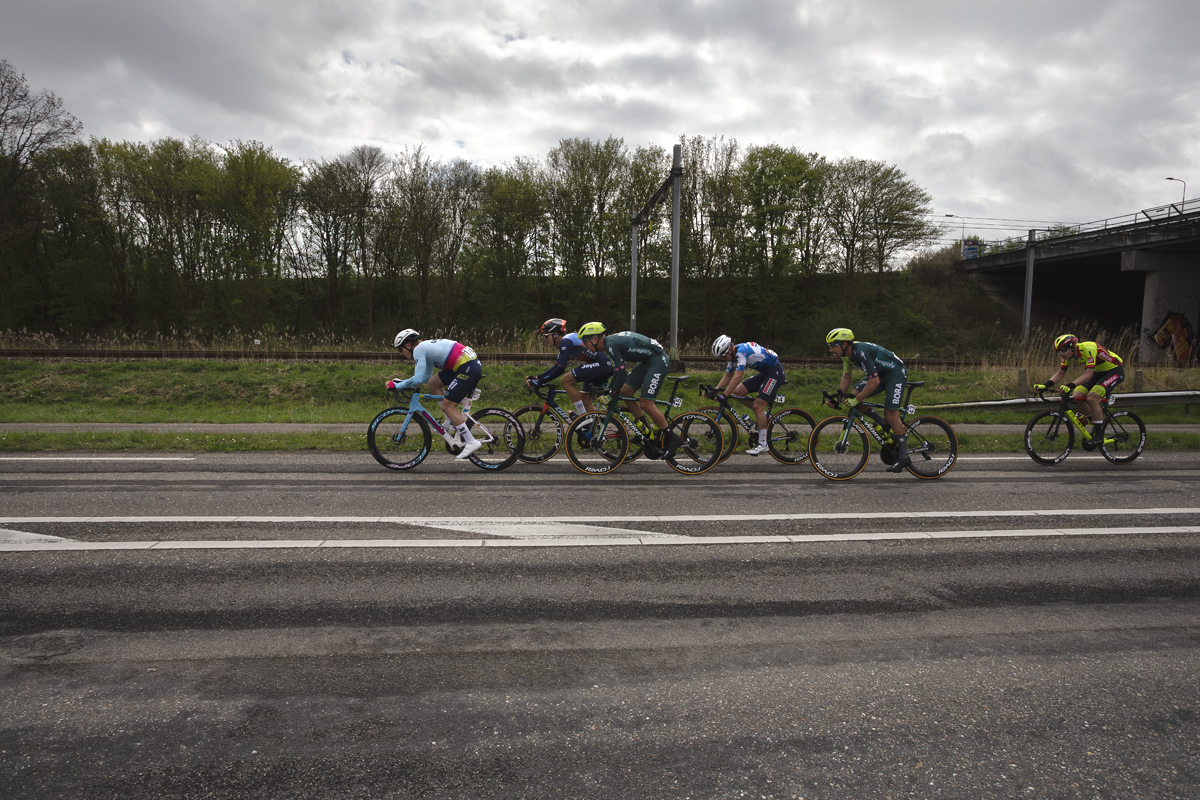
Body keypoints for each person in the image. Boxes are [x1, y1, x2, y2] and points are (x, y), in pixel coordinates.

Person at [580, 324, 683, 460]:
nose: (583, 345)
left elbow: (622, 373)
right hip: (647, 361)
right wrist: (609, 389)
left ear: (594, 339)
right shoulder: (608, 345)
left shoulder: (610, 345)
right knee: (625, 392)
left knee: (646, 404)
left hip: (658, 361)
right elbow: (618, 372)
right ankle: (644, 431)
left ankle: (672, 438)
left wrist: (610, 395)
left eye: (585, 341)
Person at [824, 327, 912, 473]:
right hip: (880, 375)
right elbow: (847, 376)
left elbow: (874, 381)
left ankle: (904, 456)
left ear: (844, 344)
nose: (831, 350)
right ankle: (883, 423)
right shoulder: (846, 356)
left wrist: (857, 399)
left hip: (895, 374)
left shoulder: (860, 352)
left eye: (833, 346)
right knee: (852, 399)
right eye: (830, 346)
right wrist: (838, 399)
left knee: (891, 414)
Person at [387, 328, 483, 459]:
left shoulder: (419, 349)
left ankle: (471, 441)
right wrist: (402, 382)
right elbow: (425, 377)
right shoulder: (424, 348)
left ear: (408, 345)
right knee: (433, 383)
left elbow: (419, 378)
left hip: (467, 367)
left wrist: (398, 385)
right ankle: (449, 420)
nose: (401, 354)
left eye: (400, 349)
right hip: (466, 365)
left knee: (448, 406)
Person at [1033, 334, 1125, 446]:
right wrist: (1045, 385)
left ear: (1073, 347)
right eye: (1059, 351)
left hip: (1114, 370)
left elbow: (1088, 374)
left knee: (1092, 398)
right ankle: (1093, 419)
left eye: (1064, 350)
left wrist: (1069, 385)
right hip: (1098, 372)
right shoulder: (1068, 355)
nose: (1062, 354)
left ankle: (1099, 435)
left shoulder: (1088, 349)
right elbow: (1061, 372)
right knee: (1076, 397)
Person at [708, 334, 786, 456]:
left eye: (723, 356)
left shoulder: (741, 352)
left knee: (757, 406)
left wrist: (724, 395)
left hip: (775, 373)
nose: (723, 359)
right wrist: (715, 391)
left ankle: (763, 444)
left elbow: (738, 377)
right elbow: (728, 375)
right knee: (738, 392)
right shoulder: (732, 355)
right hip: (765, 373)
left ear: (729, 349)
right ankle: (763, 416)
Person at [524, 318, 613, 417]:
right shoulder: (564, 343)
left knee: (566, 380)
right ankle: (594, 425)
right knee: (585, 399)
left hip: (601, 364)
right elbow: (557, 365)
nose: (545, 339)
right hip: (601, 365)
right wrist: (538, 378)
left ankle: (582, 418)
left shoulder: (566, 341)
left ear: (555, 334)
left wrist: (540, 381)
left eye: (546, 336)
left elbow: (561, 368)